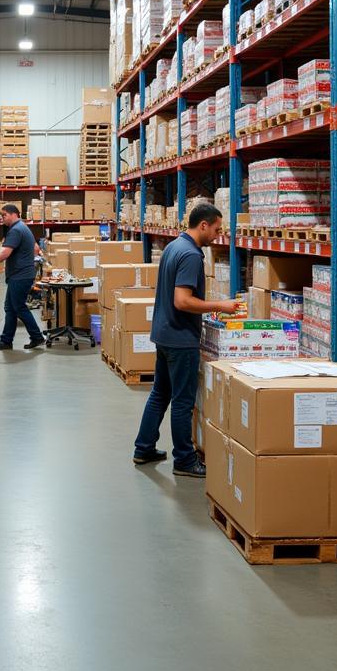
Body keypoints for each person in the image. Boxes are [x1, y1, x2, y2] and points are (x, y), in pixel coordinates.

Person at [133, 202, 240, 478]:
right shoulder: (192, 255)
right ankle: (184, 459)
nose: (217, 235)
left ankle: (144, 447)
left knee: (160, 393)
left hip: (164, 333)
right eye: (216, 229)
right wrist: (220, 305)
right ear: (203, 225)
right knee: (182, 401)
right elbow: (182, 301)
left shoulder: (173, 246)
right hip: (180, 338)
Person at [0, 203, 45, 351]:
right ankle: (6, 341)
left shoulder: (15, 230)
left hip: (20, 276)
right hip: (21, 274)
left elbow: (4, 254)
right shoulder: (23, 227)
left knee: (19, 307)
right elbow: (36, 248)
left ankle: (37, 336)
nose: (2, 219)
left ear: (14, 214)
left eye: (4, 215)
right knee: (10, 308)